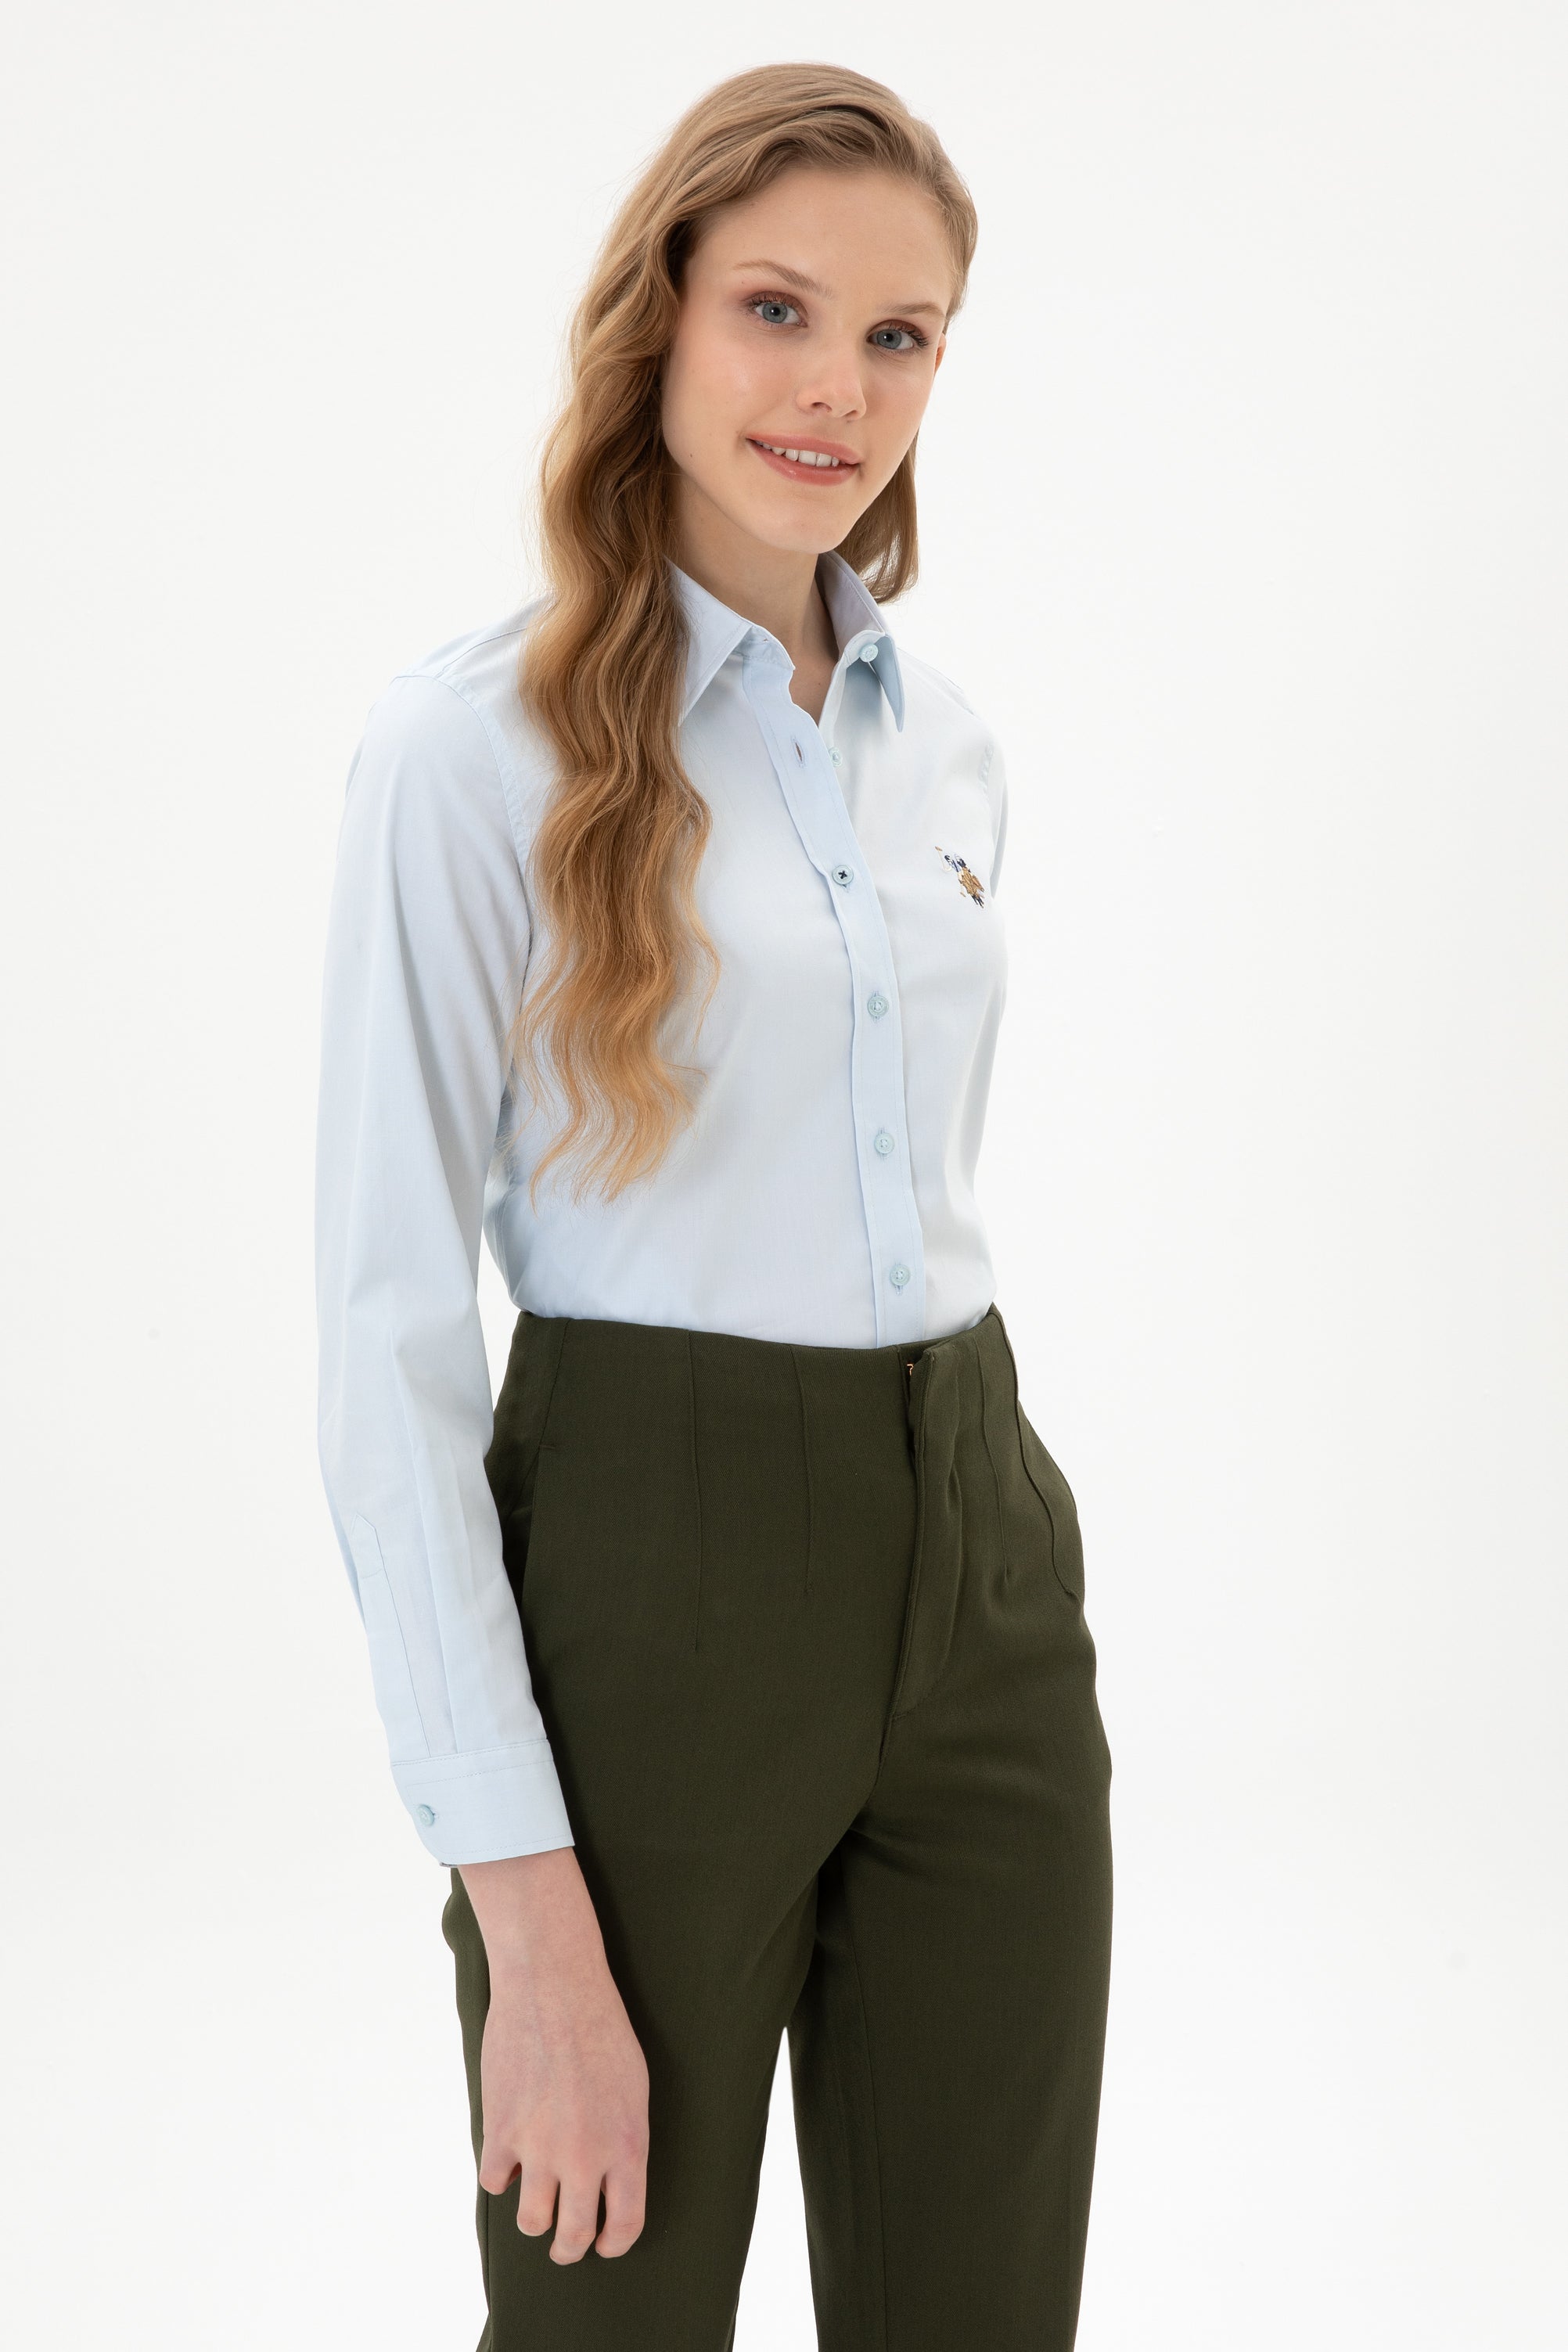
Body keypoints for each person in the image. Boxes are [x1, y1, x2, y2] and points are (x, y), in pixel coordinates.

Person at [315, 59, 1114, 2352]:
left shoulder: (943, 743)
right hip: (650, 1576)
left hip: (978, 1564)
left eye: (899, 334)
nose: (835, 387)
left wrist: (971, 1545)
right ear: (655, 313)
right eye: (778, 309)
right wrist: (524, 1915)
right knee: (607, 2315)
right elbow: (385, 1341)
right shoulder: (469, 750)